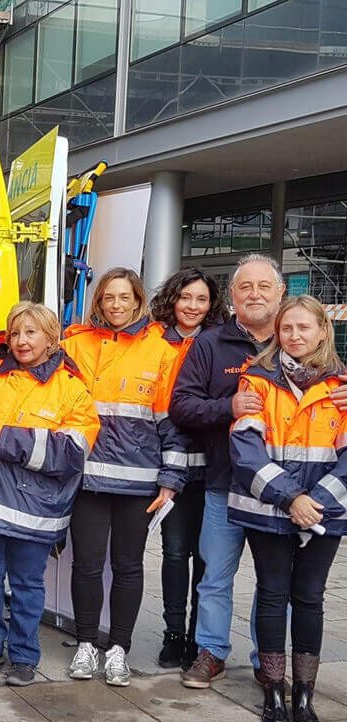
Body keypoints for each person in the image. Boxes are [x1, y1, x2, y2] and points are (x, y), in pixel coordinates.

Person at [0, 302, 99, 686]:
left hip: (35, 511)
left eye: (32, 332)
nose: (21, 341)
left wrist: (12, 440)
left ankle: (23, 656)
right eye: (16, 333)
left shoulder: (72, 390)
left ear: (52, 339)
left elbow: (74, 452)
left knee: (26, 585)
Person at [60, 267, 187, 687]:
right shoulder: (75, 343)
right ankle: (85, 645)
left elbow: (172, 423)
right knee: (87, 565)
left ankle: (118, 649)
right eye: (108, 298)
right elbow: (36, 366)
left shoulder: (163, 351)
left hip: (140, 482)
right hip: (88, 479)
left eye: (124, 297)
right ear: (99, 301)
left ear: (138, 300)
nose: (116, 305)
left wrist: (171, 476)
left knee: (129, 567)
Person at [228, 295, 347, 722]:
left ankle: (305, 692)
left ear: (321, 331)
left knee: (310, 598)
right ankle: (274, 690)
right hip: (270, 509)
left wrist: (315, 502)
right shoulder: (255, 381)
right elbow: (245, 451)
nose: (294, 336)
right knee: (273, 595)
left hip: (325, 512)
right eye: (287, 329)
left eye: (303, 328)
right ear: (277, 334)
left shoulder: (341, 386)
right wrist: (290, 499)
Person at [171, 254, 288, 689]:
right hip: (225, 486)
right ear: (233, 296)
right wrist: (228, 407)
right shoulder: (211, 344)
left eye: (263, 286)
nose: (254, 294)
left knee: (274, 583)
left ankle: (269, 657)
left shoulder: (297, 339)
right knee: (215, 575)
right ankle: (211, 652)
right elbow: (181, 406)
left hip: (282, 490)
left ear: (280, 293)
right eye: (245, 287)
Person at [149, 268, 230, 669]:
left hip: (211, 465)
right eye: (186, 298)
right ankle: (174, 633)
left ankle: (201, 638)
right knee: (175, 551)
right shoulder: (155, 340)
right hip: (171, 464)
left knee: (207, 556)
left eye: (201, 299)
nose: (193, 306)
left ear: (211, 305)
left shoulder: (219, 343)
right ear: (173, 299)